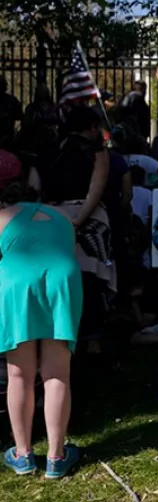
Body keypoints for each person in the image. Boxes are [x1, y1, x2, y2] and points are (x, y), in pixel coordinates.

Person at [1, 182, 81, 478]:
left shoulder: (3, 217)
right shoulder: (61, 216)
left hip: (15, 285)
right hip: (62, 281)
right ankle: (57, 457)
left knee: (18, 373)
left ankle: (22, 454)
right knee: (57, 373)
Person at [39, 104, 113, 353]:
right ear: (91, 127)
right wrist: (80, 220)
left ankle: (58, 334)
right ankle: (92, 338)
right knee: (90, 278)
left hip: (50, 217)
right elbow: (96, 187)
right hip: (86, 219)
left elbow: (36, 188)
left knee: (55, 279)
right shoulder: (98, 151)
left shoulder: (49, 150)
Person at [0, 75, 22, 143]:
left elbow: (19, 116)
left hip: (8, 135)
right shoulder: (12, 100)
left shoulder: (12, 100)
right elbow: (20, 116)